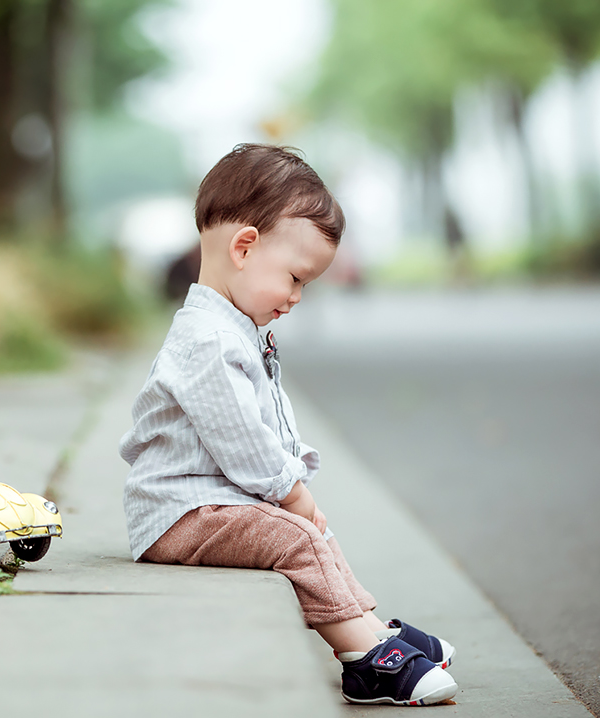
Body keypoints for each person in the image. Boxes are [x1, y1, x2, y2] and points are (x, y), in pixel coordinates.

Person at [119, 144, 458, 706]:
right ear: (245, 247)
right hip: (179, 513)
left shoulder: (235, 327)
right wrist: (290, 490)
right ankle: (361, 660)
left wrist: (293, 480)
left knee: (312, 530)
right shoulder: (207, 341)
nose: (297, 298)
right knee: (298, 533)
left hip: (211, 503)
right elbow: (241, 440)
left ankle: (373, 629)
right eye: (296, 279)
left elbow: (265, 416)